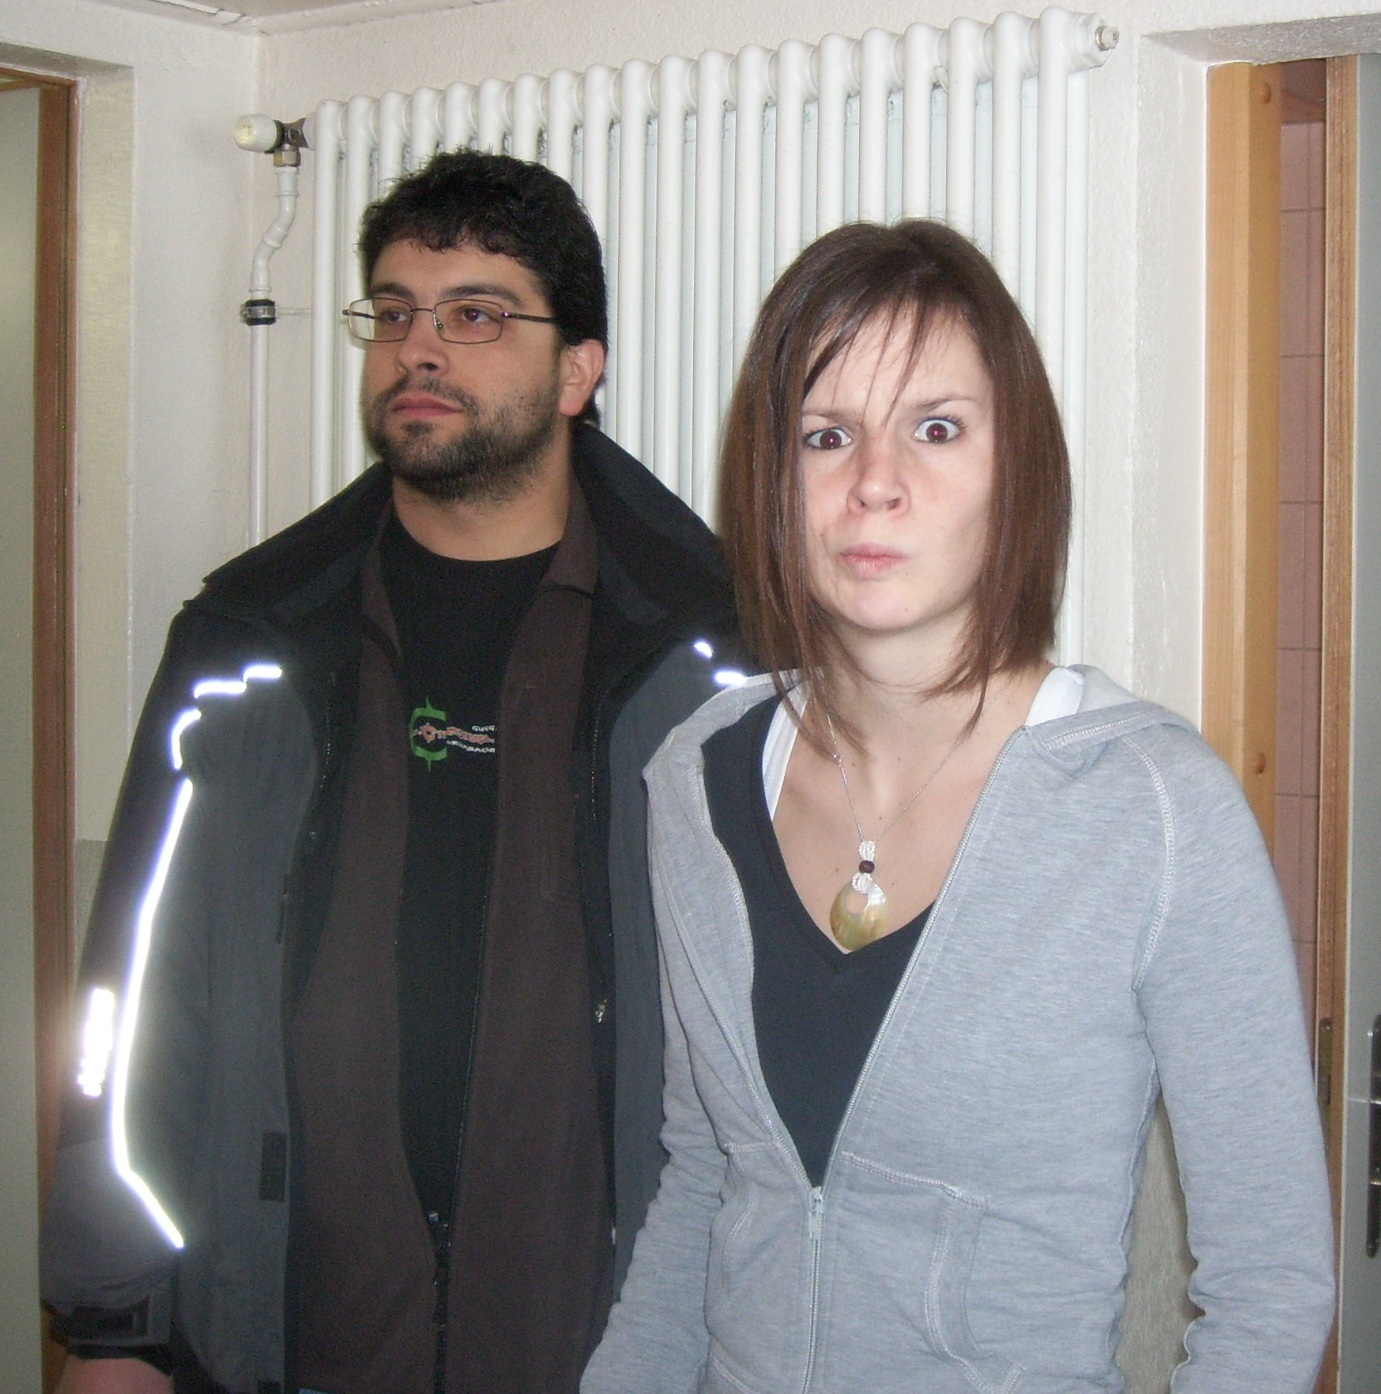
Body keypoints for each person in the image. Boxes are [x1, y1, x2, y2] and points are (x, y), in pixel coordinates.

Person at [581, 218, 1335, 1394]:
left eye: (935, 427)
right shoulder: (695, 775)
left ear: (1015, 470)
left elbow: (1273, 1282)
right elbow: (702, 1173)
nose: (874, 481)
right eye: (825, 434)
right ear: (774, 482)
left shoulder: (1151, 809)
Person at [41, 149, 740, 1394]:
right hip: (304, 1329)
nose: (419, 348)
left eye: (477, 315)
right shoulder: (247, 645)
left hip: (603, 1343)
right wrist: (114, 1327)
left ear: (578, 370)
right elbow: (136, 997)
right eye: (395, 311)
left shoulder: (712, 656)